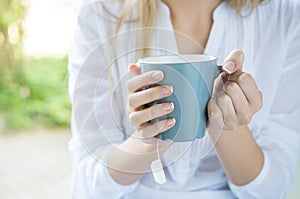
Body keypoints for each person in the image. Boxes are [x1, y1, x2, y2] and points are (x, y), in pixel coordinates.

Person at [68, 0, 300, 198]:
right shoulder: (101, 12)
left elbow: (274, 189)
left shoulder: (285, 14)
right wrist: (150, 138)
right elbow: (90, 186)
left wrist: (228, 124)